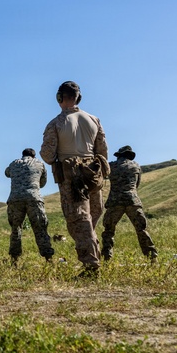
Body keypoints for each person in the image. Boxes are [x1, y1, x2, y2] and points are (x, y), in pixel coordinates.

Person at [40, 81, 109, 277]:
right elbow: (102, 150)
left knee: (79, 220)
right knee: (92, 217)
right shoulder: (94, 119)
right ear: (78, 97)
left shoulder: (56, 123)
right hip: (93, 173)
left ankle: (91, 266)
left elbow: (47, 155)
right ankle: (94, 256)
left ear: (59, 98)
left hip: (71, 175)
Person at [102, 145, 158, 261]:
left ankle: (107, 257)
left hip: (115, 202)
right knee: (141, 229)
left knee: (109, 231)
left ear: (119, 156)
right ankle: (152, 256)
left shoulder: (111, 166)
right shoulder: (136, 166)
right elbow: (137, 185)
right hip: (132, 200)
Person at [5, 148, 55, 263]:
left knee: (15, 229)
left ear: (22, 155)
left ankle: (14, 258)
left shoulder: (14, 163)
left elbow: (7, 173)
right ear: (34, 156)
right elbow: (42, 183)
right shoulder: (40, 164)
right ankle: (48, 258)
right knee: (40, 228)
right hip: (34, 198)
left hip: (15, 199)